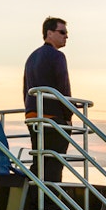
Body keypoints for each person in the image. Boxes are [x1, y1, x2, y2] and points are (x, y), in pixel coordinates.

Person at [23, 16, 72, 183]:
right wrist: (68, 117)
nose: (66, 36)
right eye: (62, 32)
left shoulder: (31, 57)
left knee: (39, 162)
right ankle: (49, 204)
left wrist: (29, 112)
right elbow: (63, 88)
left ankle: (32, 201)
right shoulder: (58, 56)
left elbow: (26, 89)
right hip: (53, 118)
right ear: (49, 33)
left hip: (33, 117)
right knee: (54, 164)